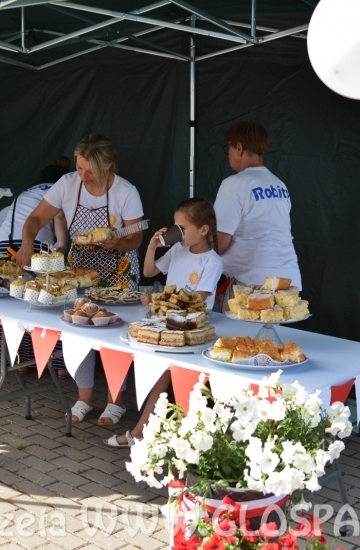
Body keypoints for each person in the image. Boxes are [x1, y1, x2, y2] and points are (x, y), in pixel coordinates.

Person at [15, 134, 145, 426]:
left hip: (119, 271)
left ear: (108, 166)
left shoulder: (126, 191)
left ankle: (116, 401)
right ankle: (84, 397)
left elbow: (136, 236)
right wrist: (27, 244)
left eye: (90, 171)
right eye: (80, 168)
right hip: (80, 271)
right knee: (79, 331)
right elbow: (35, 220)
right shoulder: (67, 184)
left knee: (114, 338)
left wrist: (119, 243)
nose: (83, 176)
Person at [104, 198, 221, 447]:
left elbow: (198, 300)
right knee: (164, 376)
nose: (177, 232)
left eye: (182, 228)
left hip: (191, 330)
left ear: (203, 230)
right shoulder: (178, 249)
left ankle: (143, 433)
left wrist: (157, 300)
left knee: (169, 379)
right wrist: (152, 247)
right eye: (175, 226)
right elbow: (149, 272)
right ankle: (157, 434)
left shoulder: (211, 261)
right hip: (167, 325)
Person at [0, 163, 69, 377]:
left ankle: (18, 359)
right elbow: (60, 218)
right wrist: (62, 248)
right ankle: (59, 363)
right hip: (33, 245)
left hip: (1, 245)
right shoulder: (58, 191)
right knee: (45, 299)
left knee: (13, 304)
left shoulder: (26, 192)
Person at [213, 121, 301, 291]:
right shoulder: (279, 184)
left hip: (252, 283)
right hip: (288, 281)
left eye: (228, 148)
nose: (228, 154)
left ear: (239, 148)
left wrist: (189, 249)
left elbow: (220, 243)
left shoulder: (234, 184)